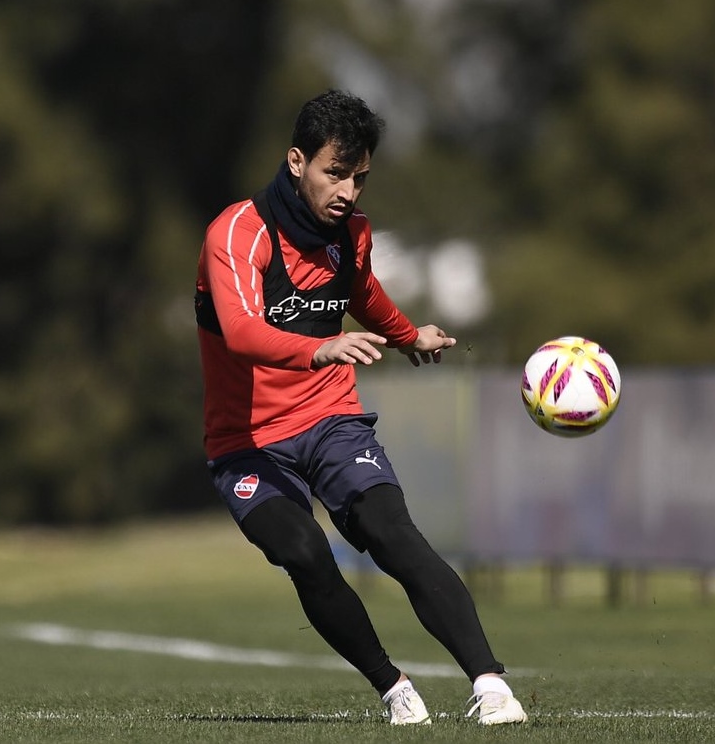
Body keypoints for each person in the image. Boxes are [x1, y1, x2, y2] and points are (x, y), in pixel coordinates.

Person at [194, 89, 527, 726]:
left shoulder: (352, 235)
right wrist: (317, 350)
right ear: (297, 161)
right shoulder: (237, 233)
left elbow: (362, 293)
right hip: (246, 442)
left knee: (392, 533)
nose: (348, 191)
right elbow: (239, 331)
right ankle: (393, 687)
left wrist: (408, 337)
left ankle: (491, 687)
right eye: (336, 173)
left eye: (360, 178)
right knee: (304, 553)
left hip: (330, 421)